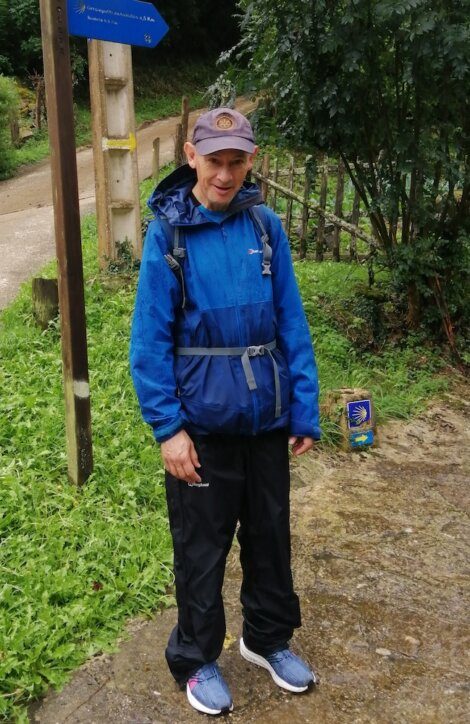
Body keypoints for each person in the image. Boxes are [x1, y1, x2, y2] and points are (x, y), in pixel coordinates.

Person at [130, 107, 321, 716]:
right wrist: (168, 429)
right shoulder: (168, 235)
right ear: (192, 156)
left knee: (270, 540)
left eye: (237, 161)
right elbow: (148, 341)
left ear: (250, 161)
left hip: (265, 423)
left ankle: (266, 639)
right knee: (202, 551)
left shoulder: (265, 228)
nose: (226, 173)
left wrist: (304, 408)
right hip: (202, 433)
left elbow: (291, 320)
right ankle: (195, 658)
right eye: (215, 160)